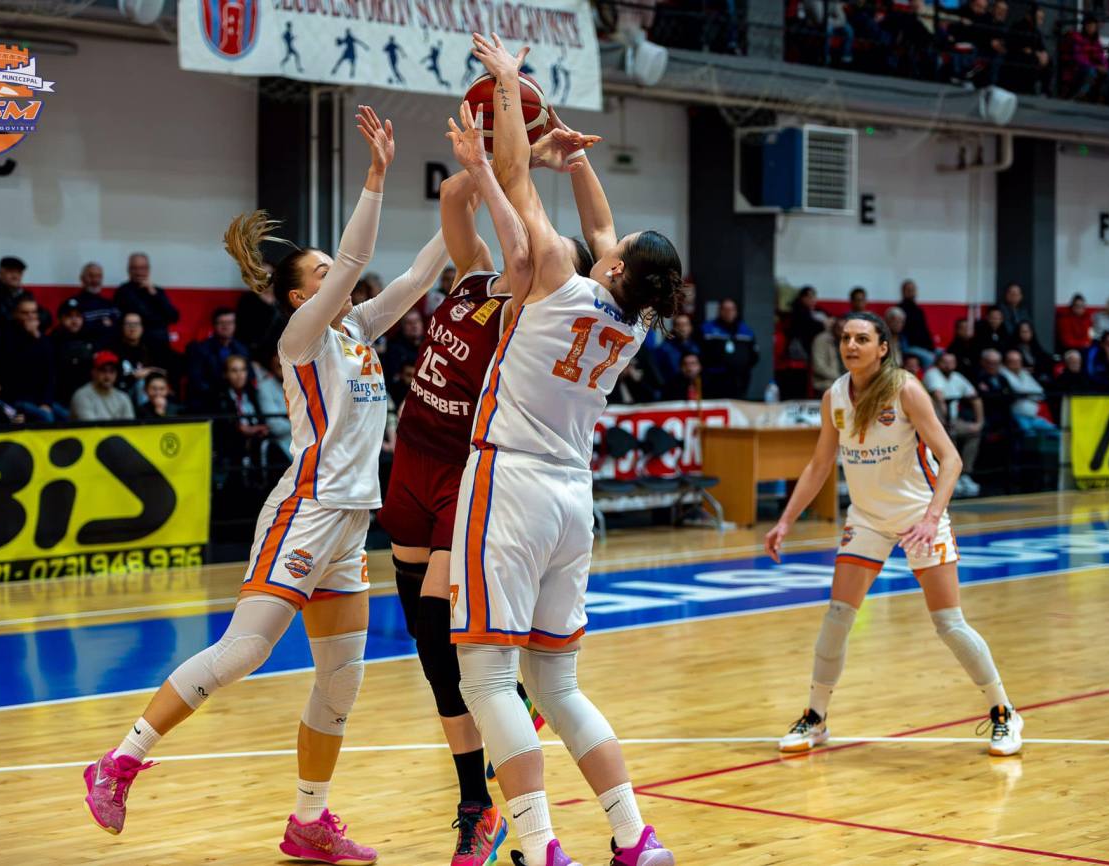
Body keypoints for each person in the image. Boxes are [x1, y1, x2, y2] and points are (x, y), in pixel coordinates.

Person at [82, 106, 448, 866]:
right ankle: (118, 761)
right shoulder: (302, 338)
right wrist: (377, 176)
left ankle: (308, 822)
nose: (336, 274)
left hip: (351, 523)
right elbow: (356, 257)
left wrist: (473, 186)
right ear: (300, 296)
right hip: (305, 510)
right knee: (243, 652)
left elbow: (419, 275)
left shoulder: (357, 330)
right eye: (320, 273)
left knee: (341, 682)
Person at [454, 35, 679, 866]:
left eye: (618, 247)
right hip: (570, 501)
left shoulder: (554, 271)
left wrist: (509, 88)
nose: (608, 241)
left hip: (508, 482)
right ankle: (633, 834)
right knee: (559, 684)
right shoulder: (634, 321)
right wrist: (578, 159)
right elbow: (605, 229)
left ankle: (542, 846)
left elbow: (518, 181)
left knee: (487, 678)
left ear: (615, 269)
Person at [377, 103, 604, 865]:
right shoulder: (474, 273)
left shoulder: (524, 301)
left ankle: (477, 802)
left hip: (465, 472)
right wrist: (507, 157)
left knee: (440, 629)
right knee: (422, 634)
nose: (532, 248)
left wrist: (513, 161)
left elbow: (518, 228)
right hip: (411, 456)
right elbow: (452, 198)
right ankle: (496, 743)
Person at [765, 311, 1021, 760]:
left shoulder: (905, 390)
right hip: (867, 518)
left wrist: (931, 518)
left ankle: (1004, 711)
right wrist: (785, 520)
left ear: (882, 348)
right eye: (846, 338)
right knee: (837, 616)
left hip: (920, 516)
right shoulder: (834, 396)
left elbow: (952, 459)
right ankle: (816, 717)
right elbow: (820, 465)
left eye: (862, 339)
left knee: (948, 623)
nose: (851, 345)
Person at [923, 351, 982, 497]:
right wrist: (947, 422)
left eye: (952, 362)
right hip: (934, 421)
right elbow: (939, 398)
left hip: (952, 421)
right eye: (945, 362)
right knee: (949, 437)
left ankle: (965, 475)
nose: (948, 365)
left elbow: (975, 398)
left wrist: (979, 422)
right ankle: (951, 479)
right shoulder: (932, 374)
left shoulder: (957, 377)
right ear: (938, 363)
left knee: (974, 432)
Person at [2, 296, 62, 423]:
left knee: (67, 416)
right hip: (18, 399)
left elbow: (50, 373)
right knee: (47, 418)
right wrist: (32, 338)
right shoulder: (7, 337)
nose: (30, 317)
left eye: (34, 312)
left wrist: (46, 402)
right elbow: (15, 369)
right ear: (15, 314)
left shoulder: (42, 338)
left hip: (40, 399)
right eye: (25, 313)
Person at [115, 252, 180, 354]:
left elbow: (174, 317)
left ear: (148, 269)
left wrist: (154, 294)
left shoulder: (157, 291)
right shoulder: (123, 291)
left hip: (158, 341)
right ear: (129, 270)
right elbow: (139, 316)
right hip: (135, 341)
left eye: (143, 268)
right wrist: (159, 318)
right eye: (135, 268)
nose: (139, 272)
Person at [187, 307, 251, 406]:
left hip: (239, 398)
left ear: (235, 325)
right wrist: (219, 394)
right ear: (214, 325)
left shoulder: (242, 349)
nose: (226, 327)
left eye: (230, 323)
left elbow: (249, 377)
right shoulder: (200, 350)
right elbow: (196, 381)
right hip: (210, 400)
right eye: (221, 323)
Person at [701, 297, 759, 399]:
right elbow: (700, 352)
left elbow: (754, 355)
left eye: (732, 309)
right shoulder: (707, 329)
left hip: (739, 379)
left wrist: (742, 367)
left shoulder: (746, 330)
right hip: (714, 379)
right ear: (720, 311)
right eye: (725, 309)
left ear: (736, 311)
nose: (729, 312)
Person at [52, 298, 97, 408]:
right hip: (60, 398)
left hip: (88, 397)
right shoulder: (52, 340)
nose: (74, 320)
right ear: (61, 318)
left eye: (78, 316)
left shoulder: (91, 337)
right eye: (69, 316)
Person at [1061, 14, 1109, 102]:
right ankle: (1078, 96)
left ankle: (1101, 98)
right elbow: (1078, 58)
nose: (1091, 28)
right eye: (1089, 26)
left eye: (1093, 26)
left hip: (1093, 68)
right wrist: (1096, 67)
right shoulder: (1077, 38)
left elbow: (1102, 57)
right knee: (1091, 72)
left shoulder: (1096, 42)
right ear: (1084, 26)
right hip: (1077, 69)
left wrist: (1105, 67)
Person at [70, 351, 136, 421]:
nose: (108, 376)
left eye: (112, 371)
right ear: (93, 372)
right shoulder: (82, 396)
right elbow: (92, 426)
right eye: (103, 370)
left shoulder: (123, 398)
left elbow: (130, 425)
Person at [1002, 349, 1054, 432]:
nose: (1016, 363)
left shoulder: (1024, 373)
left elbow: (1040, 392)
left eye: (1018, 361)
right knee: (1029, 435)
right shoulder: (1002, 373)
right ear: (1006, 362)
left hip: (1033, 415)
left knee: (1054, 431)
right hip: (1016, 416)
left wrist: (1026, 395)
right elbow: (1018, 390)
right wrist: (1028, 394)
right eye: (1012, 361)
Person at [1005, 4, 1051, 95]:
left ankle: (1044, 90)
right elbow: (1020, 46)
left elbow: (1041, 46)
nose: (1040, 21)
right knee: (1031, 60)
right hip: (1018, 56)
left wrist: (1044, 54)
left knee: (1049, 62)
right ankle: (1028, 89)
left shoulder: (1036, 31)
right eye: (1038, 18)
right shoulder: (1018, 26)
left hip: (1033, 56)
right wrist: (1036, 53)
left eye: (1041, 18)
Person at [74, 262, 120, 344]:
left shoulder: (109, 304)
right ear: (82, 279)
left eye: (99, 276)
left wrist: (92, 325)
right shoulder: (74, 305)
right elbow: (76, 330)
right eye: (91, 276)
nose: (95, 280)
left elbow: (118, 326)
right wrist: (102, 325)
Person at [898, 279, 936, 365]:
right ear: (903, 291)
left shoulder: (918, 310)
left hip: (924, 346)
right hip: (910, 347)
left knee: (942, 354)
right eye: (908, 290)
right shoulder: (900, 310)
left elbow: (925, 330)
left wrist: (931, 347)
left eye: (913, 289)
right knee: (930, 358)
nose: (911, 292)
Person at [652, 312, 699, 379]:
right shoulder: (663, 349)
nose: (682, 328)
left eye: (685, 324)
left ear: (691, 327)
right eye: (679, 325)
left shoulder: (698, 347)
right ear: (674, 328)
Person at [811, 317, 845, 395]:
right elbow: (818, 366)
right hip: (825, 382)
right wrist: (840, 378)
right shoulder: (821, 340)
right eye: (839, 328)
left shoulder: (847, 341)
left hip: (844, 382)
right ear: (834, 327)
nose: (842, 332)